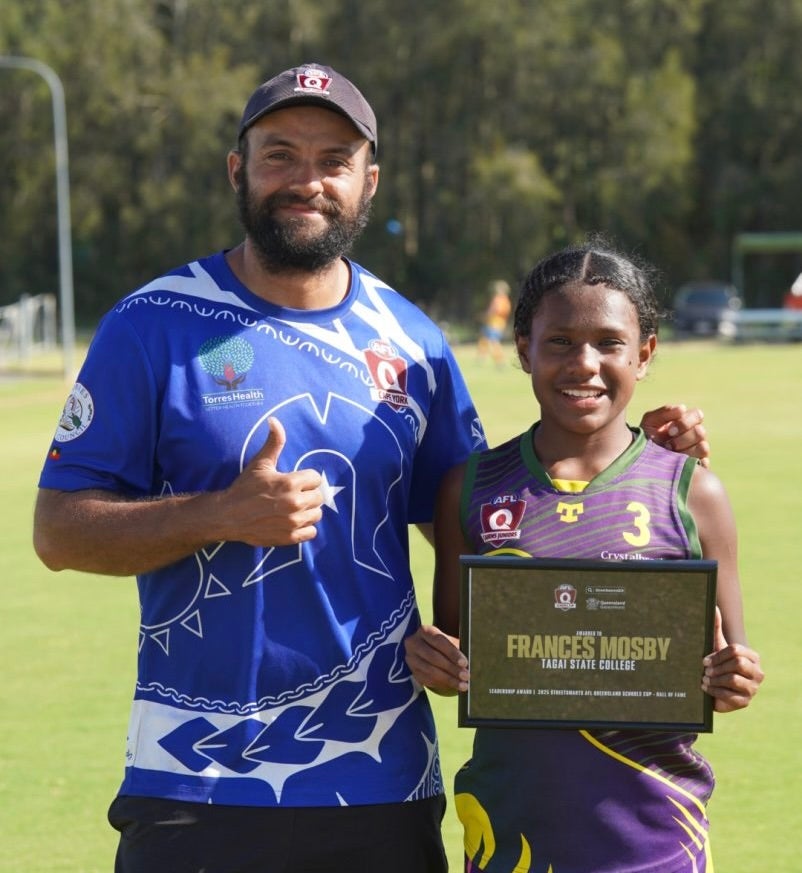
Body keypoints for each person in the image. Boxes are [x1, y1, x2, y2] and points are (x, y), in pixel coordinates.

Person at [32, 62, 710, 873]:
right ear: (238, 169)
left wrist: (639, 461)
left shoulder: (414, 343)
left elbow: (496, 518)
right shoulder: (150, 325)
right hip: (194, 780)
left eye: (334, 160)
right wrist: (219, 514)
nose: (307, 180)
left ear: (369, 182)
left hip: (381, 780)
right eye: (281, 155)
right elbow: (58, 531)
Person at [404, 240, 764, 873]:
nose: (585, 364)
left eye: (609, 342)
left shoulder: (693, 493)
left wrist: (735, 678)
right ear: (524, 349)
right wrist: (436, 661)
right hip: (510, 832)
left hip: (656, 838)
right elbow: (460, 655)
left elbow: (729, 669)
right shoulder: (471, 488)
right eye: (560, 342)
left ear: (644, 354)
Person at [476, 279, 512, 365]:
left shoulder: (499, 299)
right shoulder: (505, 300)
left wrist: (485, 315)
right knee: (484, 339)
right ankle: (482, 357)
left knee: (494, 341)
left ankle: (499, 360)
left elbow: (495, 310)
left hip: (495, 323)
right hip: (495, 322)